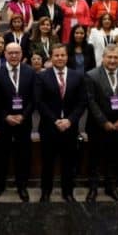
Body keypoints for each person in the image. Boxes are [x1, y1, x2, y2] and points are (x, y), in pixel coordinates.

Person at [35, 43, 87, 202]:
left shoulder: (77, 75)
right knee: (47, 162)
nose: (59, 58)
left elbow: (82, 102)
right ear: (51, 57)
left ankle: (68, 192)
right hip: (49, 127)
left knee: (68, 162)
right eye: (56, 55)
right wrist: (55, 120)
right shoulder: (42, 76)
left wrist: (70, 120)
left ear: (67, 57)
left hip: (70, 128)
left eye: (62, 55)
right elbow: (39, 102)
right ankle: (46, 192)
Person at [85, 44, 118, 201]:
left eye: (116, 57)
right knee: (94, 158)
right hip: (97, 125)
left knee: (114, 157)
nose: (112, 60)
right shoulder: (91, 75)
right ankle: (93, 189)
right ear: (103, 58)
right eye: (109, 57)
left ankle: (111, 187)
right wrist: (104, 122)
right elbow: (91, 101)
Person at [0, 43, 36, 202]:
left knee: (23, 155)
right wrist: (5, 116)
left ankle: (22, 186)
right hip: (4, 122)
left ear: (21, 53)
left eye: (17, 53)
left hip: (24, 122)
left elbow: (33, 99)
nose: (14, 56)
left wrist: (23, 116)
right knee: (1, 155)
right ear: (5, 54)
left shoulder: (30, 72)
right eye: (10, 53)